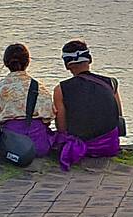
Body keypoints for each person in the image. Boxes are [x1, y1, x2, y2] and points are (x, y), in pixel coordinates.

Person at [52, 40, 122, 170]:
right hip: (109, 146)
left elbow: (61, 127)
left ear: (67, 65)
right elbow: (118, 115)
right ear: (90, 60)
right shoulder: (111, 83)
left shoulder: (60, 89)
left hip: (79, 146)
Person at [0, 43, 55, 159]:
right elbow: (49, 117)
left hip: (11, 146)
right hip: (38, 145)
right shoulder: (41, 88)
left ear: (6, 63)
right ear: (27, 62)